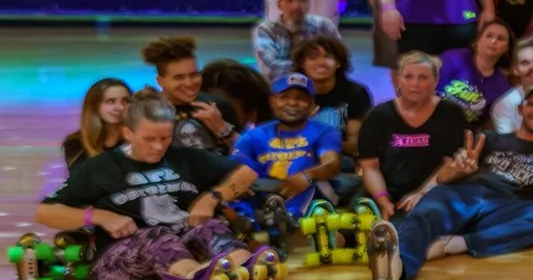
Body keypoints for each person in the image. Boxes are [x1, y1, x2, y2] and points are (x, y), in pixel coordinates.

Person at [33, 93, 274, 280]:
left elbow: (247, 172)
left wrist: (211, 197)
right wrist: (99, 216)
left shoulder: (184, 157)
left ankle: (245, 270)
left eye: (165, 138)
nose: (159, 146)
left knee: (209, 227)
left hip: (179, 254)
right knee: (157, 235)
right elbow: (45, 212)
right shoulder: (100, 168)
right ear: (128, 133)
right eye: (149, 139)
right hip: (120, 265)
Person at [368, 85, 533, 280]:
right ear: (520, 110)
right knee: (427, 214)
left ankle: (456, 244)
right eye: (531, 104)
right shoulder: (490, 139)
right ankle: (394, 271)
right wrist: (448, 176)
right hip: (465, 195)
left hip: (504, 209)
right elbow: (446, 174)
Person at [355, 53, 475, 222]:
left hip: (435, 190)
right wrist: (383, 201)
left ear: (435, 81)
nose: (415, 84)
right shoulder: (378, 116)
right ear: (398, 80)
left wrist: (422, 193)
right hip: (385, 191)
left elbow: (450, 164)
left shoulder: (451, 113)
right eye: (408, 77)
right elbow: (370, 167)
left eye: (423, 77)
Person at [229, 72, 346, 215]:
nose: (292, 103)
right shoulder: (253, 136)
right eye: (284, 97)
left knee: (301, 166)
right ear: (273, 101)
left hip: (309, 194)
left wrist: (306, 176)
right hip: (263, 193)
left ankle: (290, 217)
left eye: (301, 98)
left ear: (312, 105)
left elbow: (332, 163)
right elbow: (235, 167)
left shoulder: (325, 132)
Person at [142, 35, 237, 156]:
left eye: (194, 75)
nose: (189, 83)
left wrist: (222, 128)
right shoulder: (147, 112)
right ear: (160, 81)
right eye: (179, 77)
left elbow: (248, 154)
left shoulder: (217, 105)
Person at [251, 0, 340, 82]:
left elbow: (339, 57)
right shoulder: (265, 30)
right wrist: (310, 66)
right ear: (279, 5)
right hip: (280, 86)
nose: (296, 6)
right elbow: (269, 68)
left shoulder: (323, 26)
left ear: (309, 5)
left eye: (302, 1)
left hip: (318, 85)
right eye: (290, 1)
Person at [293, 33, 369, 142]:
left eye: (328, 57)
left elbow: (355, 142)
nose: (321, 62)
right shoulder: (290, 94)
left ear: (338, 63)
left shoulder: (356, 93)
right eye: (313, 57)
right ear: (302, 63)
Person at [63, 77, 132, 169]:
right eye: (110, 101)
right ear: (95, 106)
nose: (120, 107)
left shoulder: (139, 138)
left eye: (125, 101)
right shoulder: (76, 143)